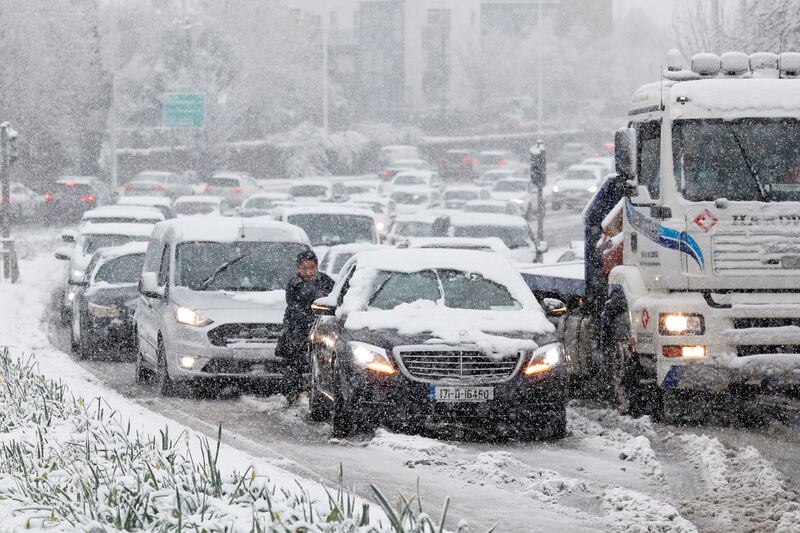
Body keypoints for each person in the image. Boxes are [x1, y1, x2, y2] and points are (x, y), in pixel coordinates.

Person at [277, 250, 335, 402]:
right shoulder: (294, 284)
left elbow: (335, 298)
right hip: (297, 330)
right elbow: (298, 306)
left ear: (317, 266)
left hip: (319, 329)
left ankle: (314, 394)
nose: (309, 272)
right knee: (294, 365)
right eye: (304, 268)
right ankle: (292, 396)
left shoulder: (325, 280)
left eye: (312, 268)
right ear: (298, 268)